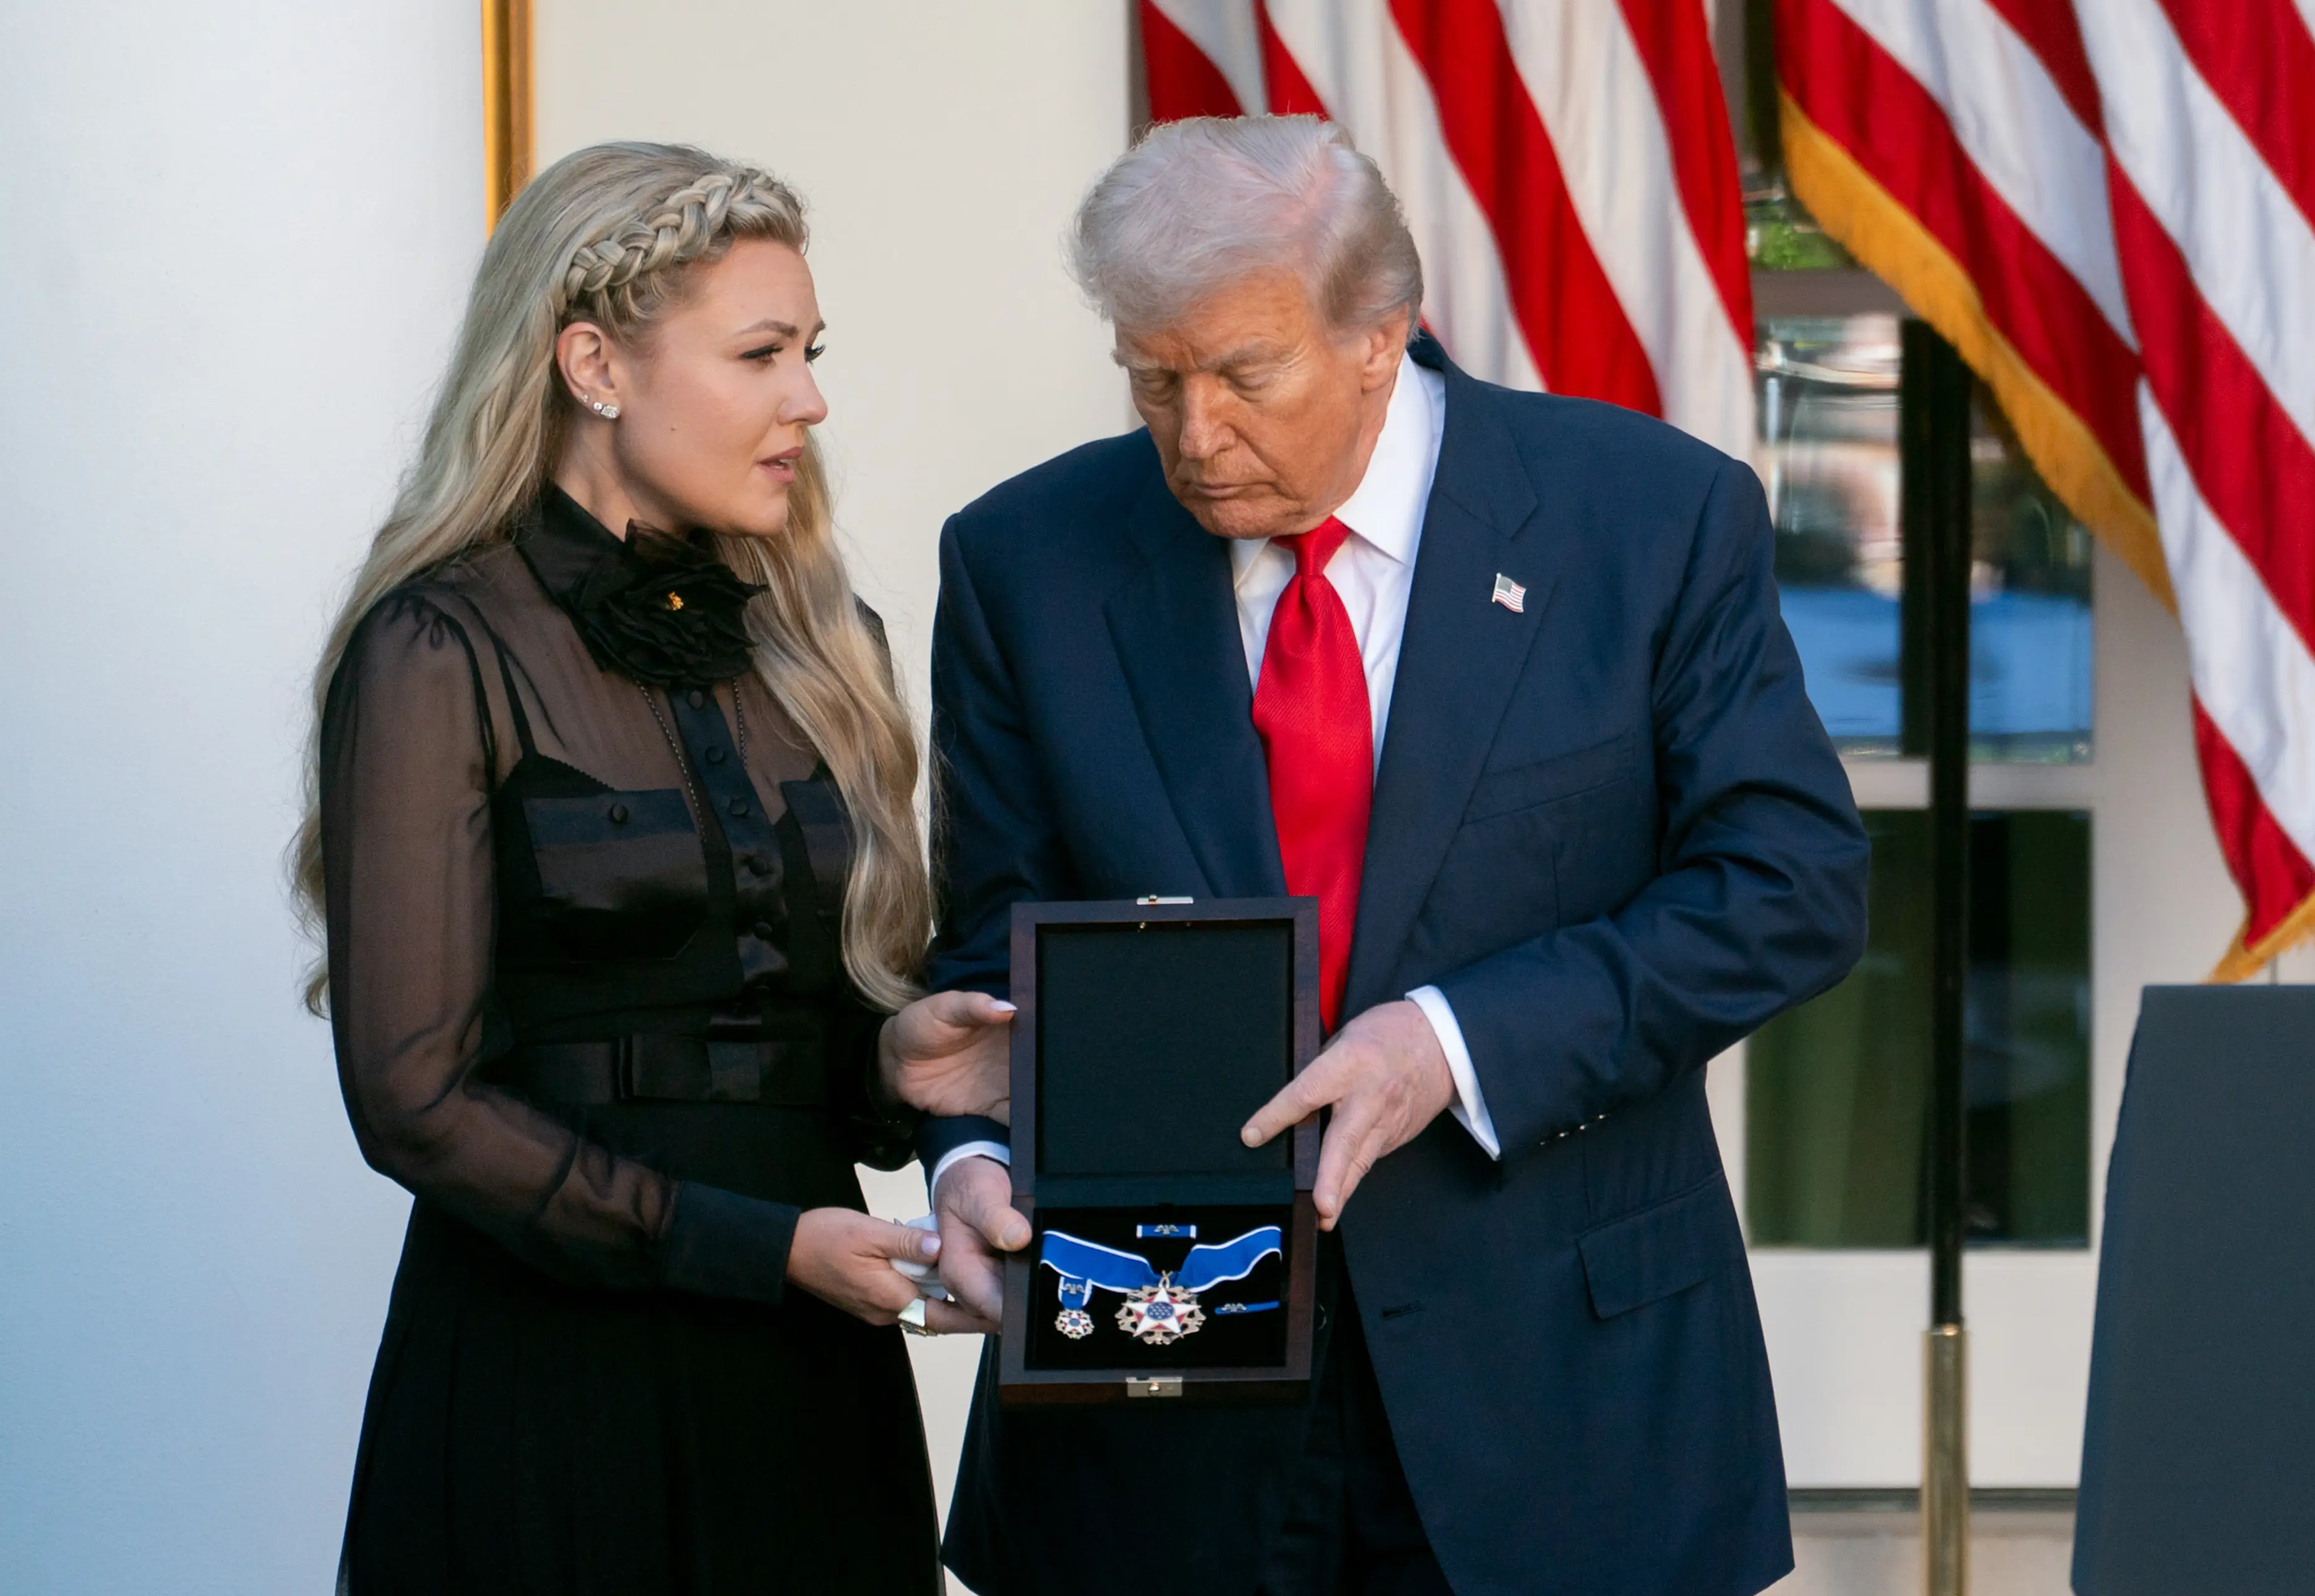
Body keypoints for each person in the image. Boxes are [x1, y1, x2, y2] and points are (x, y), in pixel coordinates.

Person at [916, 117, 1870, 1596]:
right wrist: (973, 1159)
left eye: (1243, 374)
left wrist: (1453, 1042)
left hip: (1557, 1396)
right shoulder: (1024, 558)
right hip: (1161, 1415)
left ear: (1380, 335)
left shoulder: (1649, 517)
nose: (1193, 433)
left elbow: (1789, 885)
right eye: (1153, 378)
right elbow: (995, 946)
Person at [296, 142, 1007, 1595]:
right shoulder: (439, 645)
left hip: (811, 1381)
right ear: (594, 365)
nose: (809, 399)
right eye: (760, 353)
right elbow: (414, 1101)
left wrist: (897, 1057)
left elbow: (811, 1046)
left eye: (810, 353)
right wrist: (755, 1248)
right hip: (549, 1381)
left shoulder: (829, 641)